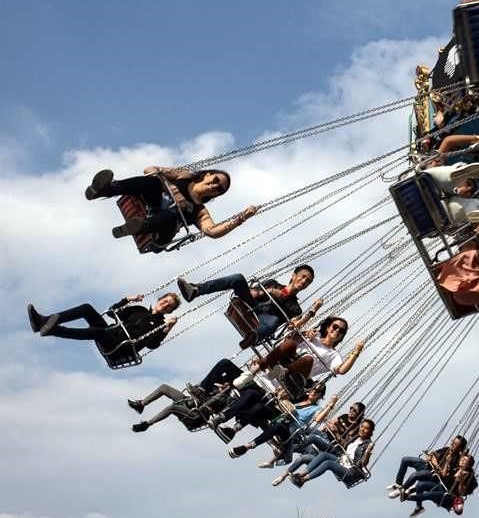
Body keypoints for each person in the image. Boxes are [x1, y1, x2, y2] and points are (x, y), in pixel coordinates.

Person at [84, 166, 257, 247]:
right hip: (152, 207)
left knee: (177, 212)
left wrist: (241, 218)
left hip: (161, 232)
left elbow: (213, 232)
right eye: (216, 180)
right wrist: (174, 189)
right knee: (152, 181)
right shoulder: (184, 176)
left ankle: (137, 227)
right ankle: (104, 190)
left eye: (219, 189)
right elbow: (150, 169)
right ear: (208, 174)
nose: (214, 186)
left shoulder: (200, 211)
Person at [177, 265, 319, 345]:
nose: (304, 281)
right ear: (294, 275)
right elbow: (252, 294)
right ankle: (196, 290)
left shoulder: (295, 307)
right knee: (238, 278)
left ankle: (253, 337)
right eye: (303, 276)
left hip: (264, 321)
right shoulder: (273, 284)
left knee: (274, 320)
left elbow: (293, 325)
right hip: (250, 305)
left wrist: (312, 311)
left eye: (308, 281)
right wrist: (270, 291)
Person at [27, 293, 180, 362]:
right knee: (86, 308)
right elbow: (113, 314)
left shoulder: (161, 325)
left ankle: (54, 330)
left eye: (169, 306)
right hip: (110, 334)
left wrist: (169, 327)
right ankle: (43, 321)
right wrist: (127, 300)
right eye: (165, 300)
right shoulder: (139, 310)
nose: (165, 304)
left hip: (121, 349)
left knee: (98, 332)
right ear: (160, 299)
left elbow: (152, 345)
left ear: (170, 311)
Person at [234, 315, 364, 390]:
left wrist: (356, 353)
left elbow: (341, 370)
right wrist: (304, 334)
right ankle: (252, 372)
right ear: (329, 327)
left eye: (341, 331)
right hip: (287, 360)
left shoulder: (334, 355)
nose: (337, 331)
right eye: (335, 327)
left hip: (299, 374)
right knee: (290, 344)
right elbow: (290, 337)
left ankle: (283, 372)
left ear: (341, 336)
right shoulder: (314, 335)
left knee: (308, 359)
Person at [271, 401, 368, 486]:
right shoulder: (345, 416)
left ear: (359, 414)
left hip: (333, 447)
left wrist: (337, 433)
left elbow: (345, 445)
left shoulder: (357, 429)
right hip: (325, 436)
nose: (351, 410)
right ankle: (282, 475)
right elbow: (331, 423)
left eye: (354, 410)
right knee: (305, 429)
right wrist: (330, 426)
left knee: (312, 439)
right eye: (351, 408)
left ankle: (285, 451)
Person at [226, 386, 330, 459]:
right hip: (281, 416)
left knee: (278, 427)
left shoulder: (316, 408)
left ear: (320, 396)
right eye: (314, 389)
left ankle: (247, 446)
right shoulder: (300, 397)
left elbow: (318, 419)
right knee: (260, 407)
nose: (314, 392)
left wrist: (330, 406)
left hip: (290, 429)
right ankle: (234, 429)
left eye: (318, 391)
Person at [288, 418, 376, 488]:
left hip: (349, 471)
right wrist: (335, 431)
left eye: (366, 429)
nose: (363, 429)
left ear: (370, 432)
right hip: (342, 461)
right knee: (324, 455)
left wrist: (368, 451)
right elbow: (343, 445)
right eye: (362, 427)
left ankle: (303, 480)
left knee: (328, 463)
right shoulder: (356, 438)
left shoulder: (367, 444)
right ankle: (300, 475)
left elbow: (363, 463)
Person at [387, 435, 468, 498]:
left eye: (454, 444)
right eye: (452, 442)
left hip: (434, 476)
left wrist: (440, 464)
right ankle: (398, 484)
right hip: (428, 466)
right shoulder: (446, 449)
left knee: (414, 475)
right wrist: (432, 459)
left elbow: (444, 475)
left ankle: (402, 490)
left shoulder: (457, 462)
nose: (451, 445)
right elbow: (432, 454)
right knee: (405, 460)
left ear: (460, 448)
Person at [407, 454, 479, 518]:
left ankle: (408, 497)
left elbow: (461, 491)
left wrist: (461, 481)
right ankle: (419, 507)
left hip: (449, 496)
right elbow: (444, 476)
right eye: (462, 458)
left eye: (465, 460)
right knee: (420, 485)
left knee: (429, 495)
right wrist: (446, 462)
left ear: (469, 464)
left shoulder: (469, 476)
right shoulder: (455, 469)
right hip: (441, 487)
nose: (462, 460)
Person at [127, 384, 205, 433]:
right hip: (190, 402)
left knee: (171, 408)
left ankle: (146, 424)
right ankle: (141, 404)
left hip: (196, 415)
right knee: (164, 387)